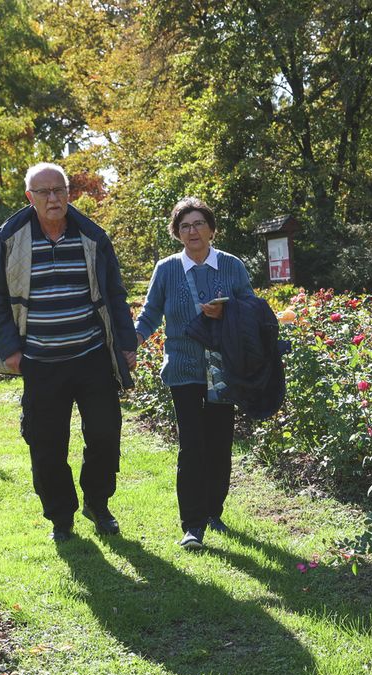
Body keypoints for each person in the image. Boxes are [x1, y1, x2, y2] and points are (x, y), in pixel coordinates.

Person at [0, 162, 138, 542]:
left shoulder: (92, 236)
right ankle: (60, 518)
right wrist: (10, 349)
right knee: (46, 445)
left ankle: (98, 504)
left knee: (104, 435)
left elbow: (115, 294)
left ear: (69, 193)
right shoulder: (10, 237)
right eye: (45, 192)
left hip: (91, 357)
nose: (54, 198)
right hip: (40, 362)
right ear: (29, 197)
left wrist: (126, 342)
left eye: (60, 190)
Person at [135, 197, 254, 550]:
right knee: (191, 447)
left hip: (223, 369)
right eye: (184, 226)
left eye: (199, 223)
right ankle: (192, 525)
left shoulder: (231, 266)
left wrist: (226, 312)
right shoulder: (167, 269)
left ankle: (214, 510)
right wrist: (134, 340)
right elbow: (151, 312)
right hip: (183, 368)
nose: (192, 231)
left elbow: (251, 309)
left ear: (212, 229)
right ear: (177, 233)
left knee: (219, 444)